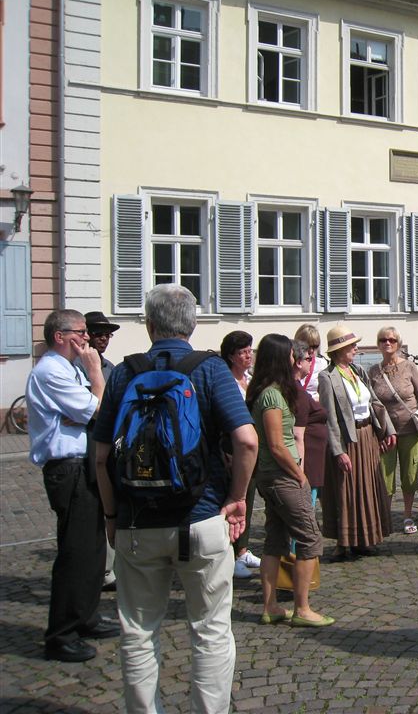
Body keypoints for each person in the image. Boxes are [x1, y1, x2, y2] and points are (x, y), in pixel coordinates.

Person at [93, 284, 258, 713]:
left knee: (138, 632)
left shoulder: (125, 373)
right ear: (193, 323)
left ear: (148, 325)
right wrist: (237, 497)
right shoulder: (210, 370)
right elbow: (246, 441)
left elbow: (99, 456)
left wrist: (111, 515)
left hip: (135, 523)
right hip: (201, 517)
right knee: (210, 630)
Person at [26, 309, 118, 663]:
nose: (86, 338)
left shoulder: (66, 369)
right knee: (75, 553)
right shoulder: (51, 370)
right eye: (80, 332)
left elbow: (91, 410)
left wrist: (90, 402)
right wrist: (96, 377)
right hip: (67, 468)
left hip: (84, 464)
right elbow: (99, 410)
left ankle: (86, 616)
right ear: (60, 336)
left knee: (93, 550)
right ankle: (61, 634)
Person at [248, 334, 332, 628]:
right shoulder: (271, 395)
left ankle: (270, 607)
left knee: (274, 540)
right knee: (310, 538)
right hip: (281, 476)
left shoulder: (270, 391)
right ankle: (302, 608)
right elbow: (276, 444)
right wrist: (300, 475)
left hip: (274, 476)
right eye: (289, 354)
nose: (294, 358)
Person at [320, 324, 396, 559]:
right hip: (348, 440)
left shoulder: (358, 371)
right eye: (351, 345)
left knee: (368, 487)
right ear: (339, 349)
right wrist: (338, 451)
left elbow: (374, 402)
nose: (355, 347)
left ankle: (364, 538)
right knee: (347, 490)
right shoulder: (327, 377)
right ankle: (344, 542)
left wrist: (386, 431)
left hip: (367, 437)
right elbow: (329, 417)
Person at [368, 326, 418, 535]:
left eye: (391, 340)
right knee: (385, 475)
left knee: (409, 474)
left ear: (398, 343)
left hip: (410, 429)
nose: (387, 343)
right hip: (386, 433)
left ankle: (407, 515)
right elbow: (371, 404)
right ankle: (385, 518)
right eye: (383, 340)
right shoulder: (373, 371)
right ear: (378, 344)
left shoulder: (409, 367)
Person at [75, 310, 121, 592]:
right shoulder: (79, 367)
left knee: (108, 505)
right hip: (86, 447)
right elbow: (91, 411)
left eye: (107, 334)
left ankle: (108, 568)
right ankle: (96, 569)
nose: (103, 339)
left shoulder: (111, 368)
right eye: (98, 333)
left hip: (107, 441)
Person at [220, 330, 261, 580]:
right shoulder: (227, 382)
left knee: (250, 497)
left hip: (251, 449)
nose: (248, 355)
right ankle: (230, 553)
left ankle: (243, 549)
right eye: (243, 352)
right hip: (232, 448)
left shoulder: (250, 379)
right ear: (231, 356)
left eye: (250, 350)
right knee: (234, 499)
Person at [291, 338, 328, 512]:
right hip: (306, 460)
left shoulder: (296, 387)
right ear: (298, 362)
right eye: (308, 358)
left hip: (311, 457)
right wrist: (301, 472)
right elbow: (297, 434)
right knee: (305, 511)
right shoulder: (297, 391)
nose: (311, 361)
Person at [295, 323, 329, 402]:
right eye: (308, 346)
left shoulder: (322, 364)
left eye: (315, 346)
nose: (311, 350)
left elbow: (326, 393)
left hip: (313, 408)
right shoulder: (290, 362)